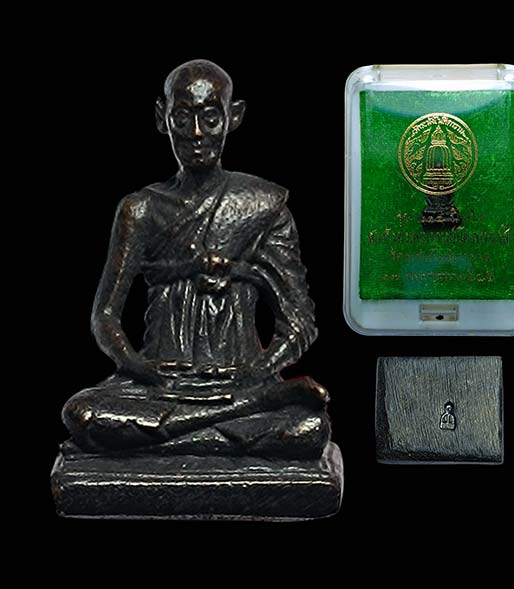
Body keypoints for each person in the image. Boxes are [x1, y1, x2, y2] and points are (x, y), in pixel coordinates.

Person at [62, 60, 329, 459]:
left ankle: (166, 439)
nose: (197, 134)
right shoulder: (140, 209)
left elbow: (300, 322)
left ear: (233, 117)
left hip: (240, 379)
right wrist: (138, 367)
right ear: (162, 118)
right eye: (183, 119)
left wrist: (257, 370)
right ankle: (234, 422)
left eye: (210, 118)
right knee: (83, 414)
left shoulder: (262, 205)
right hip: (161, 385)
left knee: (309, 429)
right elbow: (104, 316)